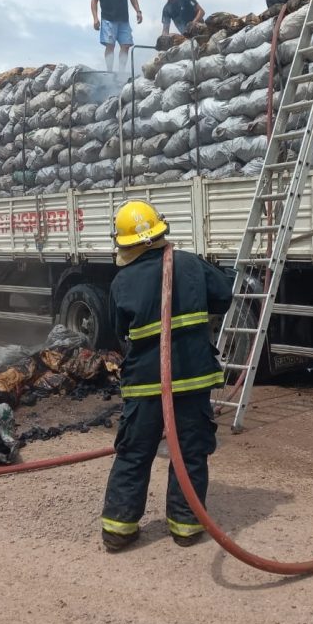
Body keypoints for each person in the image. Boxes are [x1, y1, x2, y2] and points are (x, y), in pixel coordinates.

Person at [100, 200, 232, 552]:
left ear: (125, 243)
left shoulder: (122, 281)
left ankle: (118, 530)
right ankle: (186, 527)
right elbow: (225, 296)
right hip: (192, 380)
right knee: (189, 452)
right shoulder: (190, 264)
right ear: (161, 231)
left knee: (133, 452)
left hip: (145, 385)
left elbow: (120, 331)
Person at [91, 0, 143, 78]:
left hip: (123, 19)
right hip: (108, 19)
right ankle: (109, 72)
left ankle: (121, 73)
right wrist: (95, 18)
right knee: (110, 45)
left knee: (126, 45)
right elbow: (94, 1)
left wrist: (138, 11)